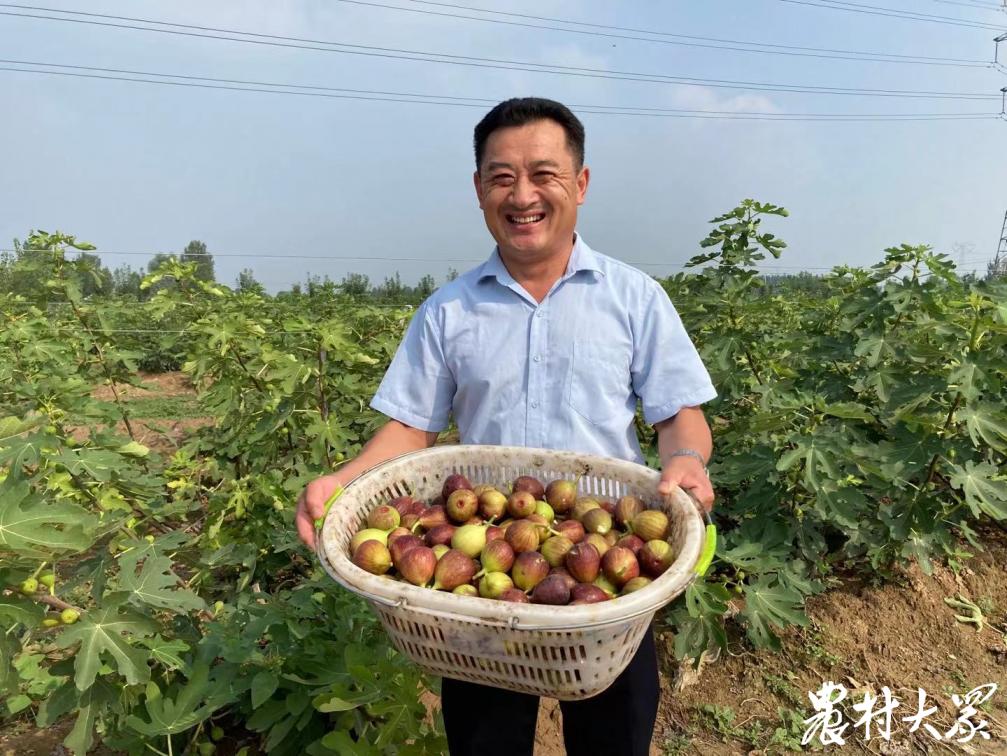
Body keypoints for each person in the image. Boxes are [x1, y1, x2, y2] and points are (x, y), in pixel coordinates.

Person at [296, 97, 717, 756]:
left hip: (604, 591)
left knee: (614, 741)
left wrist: (686, 458)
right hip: (478, 600)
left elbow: (677, 414)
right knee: (484, 743)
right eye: (501, 177)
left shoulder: (634, 299)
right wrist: (342, 482)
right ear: (478, 190)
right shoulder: (447, 311)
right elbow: (410, 429)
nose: (522, 195)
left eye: (543, 174)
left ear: (579, 184)